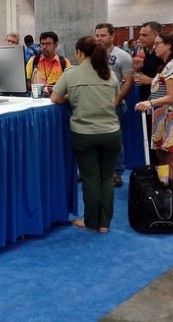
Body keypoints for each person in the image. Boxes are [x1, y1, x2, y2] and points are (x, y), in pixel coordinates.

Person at [52, 36, 121, 233]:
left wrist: (70, 97)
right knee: (107, 178)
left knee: (91, 178)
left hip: (84, 134)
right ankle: (104, 224)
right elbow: (115, 100)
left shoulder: (71, 73)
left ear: (79, 53)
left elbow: (55, 98)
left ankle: (90, 222)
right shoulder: (109, 74)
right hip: (111, 132)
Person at [135, 32, 173, 216]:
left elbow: (172, 96)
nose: (155, 46)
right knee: (162, 157)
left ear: (169, 45)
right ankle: (167, 191)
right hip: (162, 118)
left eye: (158, 43)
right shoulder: (166, 66)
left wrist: (149, 102)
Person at [95, 23, 134, 187]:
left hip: (114, 105)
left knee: (114, 141)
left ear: (112, 36)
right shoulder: (93, 55)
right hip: (95, 104)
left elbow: (129, 80)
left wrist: (117, 100)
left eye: (102, 35)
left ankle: (116, 173)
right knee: (94, 140)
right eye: (97, 35)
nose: (99, 38)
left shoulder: (122, 56)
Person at [133, 21, 164, 166]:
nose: (140, 38)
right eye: (140, 35)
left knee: (162, 150)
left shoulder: (163, 57)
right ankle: (158, 179)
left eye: (144, 35)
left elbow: (172, 84)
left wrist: (150, 80)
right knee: (153, 148)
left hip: (160, 108)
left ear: (156, 36)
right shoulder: (149, 53)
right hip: (149, 106)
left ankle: (165, 182)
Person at [25, 31, 71, 97]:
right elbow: (26, 82)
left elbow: (69, 84)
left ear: (56, 45)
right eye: (42, 44)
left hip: (57, 101)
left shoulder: (64, 62)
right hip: (38, 100)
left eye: (48, 44)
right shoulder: (33, 61)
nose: (44, 47)